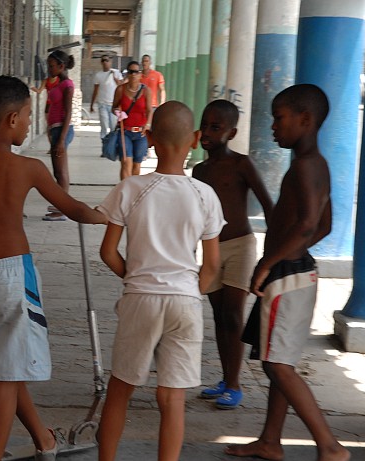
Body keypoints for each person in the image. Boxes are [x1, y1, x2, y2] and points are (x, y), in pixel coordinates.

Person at [0, 75, 106, 461]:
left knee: (6, 370)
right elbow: (72, 208)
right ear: (13, 119)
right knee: (6, 379)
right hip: (14, 276)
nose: (31, 123)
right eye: (30, 116)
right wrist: (104, 217)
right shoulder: (29, 168)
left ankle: (44, 440)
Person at [225, 84, 349, 461]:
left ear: (305, 119)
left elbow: (311, 225)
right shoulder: (315, 165)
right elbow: (325, 226)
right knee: (279, 361)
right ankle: (270, 441)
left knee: (277, 364)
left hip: (287, 276)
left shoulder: (305, 167)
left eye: (279, 118)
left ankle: (329, 446)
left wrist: (267, 262)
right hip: (297, 273)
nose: (274, 126)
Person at [96, 101, 224, 461]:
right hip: (186, 302)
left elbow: (108, 252)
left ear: (149, 138)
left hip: (140, 299)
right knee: (172, 398)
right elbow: (211, 266)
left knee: (121, 388)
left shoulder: (131, 189)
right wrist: (189, 292)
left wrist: (136, 279)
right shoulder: (205, 196)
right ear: (196, 140)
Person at [192, 99, 273, 410]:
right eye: (205, 125)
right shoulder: (199, 171)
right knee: (218, 315)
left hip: (240, 245)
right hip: (212, 249)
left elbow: (268, 204)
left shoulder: (242, 164)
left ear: (231, 132)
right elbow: (194, 214)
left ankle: (236, 384)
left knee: (233, 315)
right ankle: (225, 379)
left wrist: (270, 254)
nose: (208, 132)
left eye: (216, 127)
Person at [43, 49, 75, 221]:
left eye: (51, 66)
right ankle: (60, 207)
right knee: (59, 171)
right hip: (56, 129)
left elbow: (68, 113)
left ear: (61, 66)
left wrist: (61, 139)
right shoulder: (57, 84)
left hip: (62, 129)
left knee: (61, 172)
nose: (49, 69)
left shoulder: (67, 85)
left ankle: (61, 210)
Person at [112, 60, 153, 179]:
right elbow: (113, 107)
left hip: (141, 133)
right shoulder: (120, 89)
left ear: (140, 74)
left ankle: (132, 189)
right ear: (127, 74)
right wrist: (118, 112)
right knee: (126, 163)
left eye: (136, 72)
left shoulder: (146, 91)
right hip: (125, 132)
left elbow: (150, 110)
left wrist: (148, 124)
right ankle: (125, 190)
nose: (133, 74)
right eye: (131, 72)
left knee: (136, 166)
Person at [90, 55, 123, 140]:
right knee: (104, 125)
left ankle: (112, 146)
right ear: (101, 63)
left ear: (110, 62)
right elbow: (95, 90)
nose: (105, 62)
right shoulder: (98, 75)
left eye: (107, 60)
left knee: (113, 126)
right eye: (103, 60)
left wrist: (114, 77)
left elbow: (121, 85)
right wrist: (91, 105)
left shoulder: (116, 72)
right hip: (102, 104)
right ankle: (104, 145)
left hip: (113, 105)